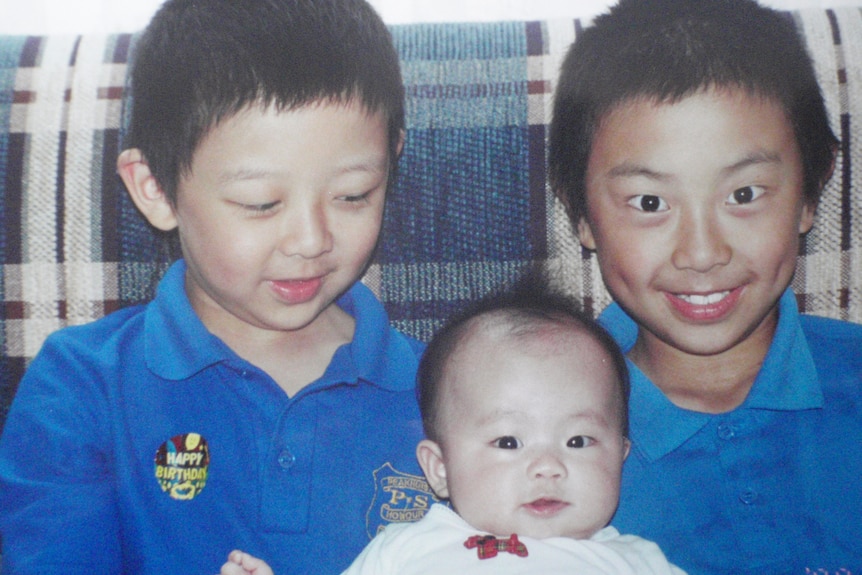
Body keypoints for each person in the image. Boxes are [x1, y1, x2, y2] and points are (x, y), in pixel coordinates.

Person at [0, 1, 437, 573]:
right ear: (155, 189)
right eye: (260, 204)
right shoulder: (83, 385)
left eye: (353, 194)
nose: (310, 239)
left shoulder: (452, 390)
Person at [548, 0, 862, 573]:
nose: (701, 253)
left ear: (810, 196)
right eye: (649, 203)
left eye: (744, 195)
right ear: (582, 217)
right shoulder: (530, 445)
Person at [221, 281, 686, 574]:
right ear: (439, 468)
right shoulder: (406, 549)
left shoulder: (636, 562)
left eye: (578, 440)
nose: (548, 466)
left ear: (620, 455)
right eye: (508, 441)